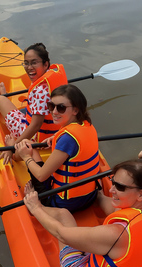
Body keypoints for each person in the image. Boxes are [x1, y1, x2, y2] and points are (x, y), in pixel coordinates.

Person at [15, 84, 99, 212]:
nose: (54, 112)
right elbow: (73, 138)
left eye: (61, 108)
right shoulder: (87, 125)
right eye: (51, 106)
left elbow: (41, 176)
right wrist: (55, 136)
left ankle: (36, 201)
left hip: (65, 204)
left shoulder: (67, 139)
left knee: (30, 148)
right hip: (90, 196)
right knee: (32, 146)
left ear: (75, 110)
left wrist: (25, 156)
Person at [0, 43, 68, 164]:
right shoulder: (54, 76)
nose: (29, 67)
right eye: (26, 63)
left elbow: (35, 126)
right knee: (26, 110)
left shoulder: (40, 91)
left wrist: (12, 148)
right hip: (56, 135)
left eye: (34, 63)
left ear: (45, 64)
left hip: (39, 139)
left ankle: (5, 97)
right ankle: (8, 99)